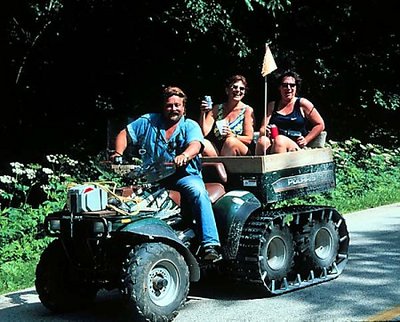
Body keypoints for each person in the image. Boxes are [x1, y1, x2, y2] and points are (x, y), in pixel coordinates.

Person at [111, 86, 221, 261]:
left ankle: (210, 244)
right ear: (163, 106)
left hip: (184, 176)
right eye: (169, 105)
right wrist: (117, 154)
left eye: (177, 105)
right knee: (125, 199)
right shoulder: (149, 121)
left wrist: (184, 155)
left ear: (184, 107)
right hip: (153, 176)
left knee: (199, 193)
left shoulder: (190, 125)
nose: (174, 109)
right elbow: (125, 134)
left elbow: (196, 145)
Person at [255, 70, 325, 154]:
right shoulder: (272, 106)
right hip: (274, 142)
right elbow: (263, 128)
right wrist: (265, 131)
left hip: (295, 146)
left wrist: (306, 139)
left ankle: (278, 166)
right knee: (263, 141)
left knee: (280, 140)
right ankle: (258, 166)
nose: (288, 88)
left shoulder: (302, 103)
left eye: (292, 85)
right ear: (279, 88)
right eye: (285, 85)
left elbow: (320, 124)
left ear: (296, 87)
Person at [199, 75, 255, 156]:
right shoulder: (217, 108)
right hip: (219, 149)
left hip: (241, 151)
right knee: (202, 143)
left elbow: (249, 139)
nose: (238, 90)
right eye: (235, 87)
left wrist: (233, 135)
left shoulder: (247, 110)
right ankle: (215, 167)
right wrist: (203, 113)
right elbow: (203, 133)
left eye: (242, 89)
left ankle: (225, 167)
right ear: (227, 90)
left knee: (230, 141)